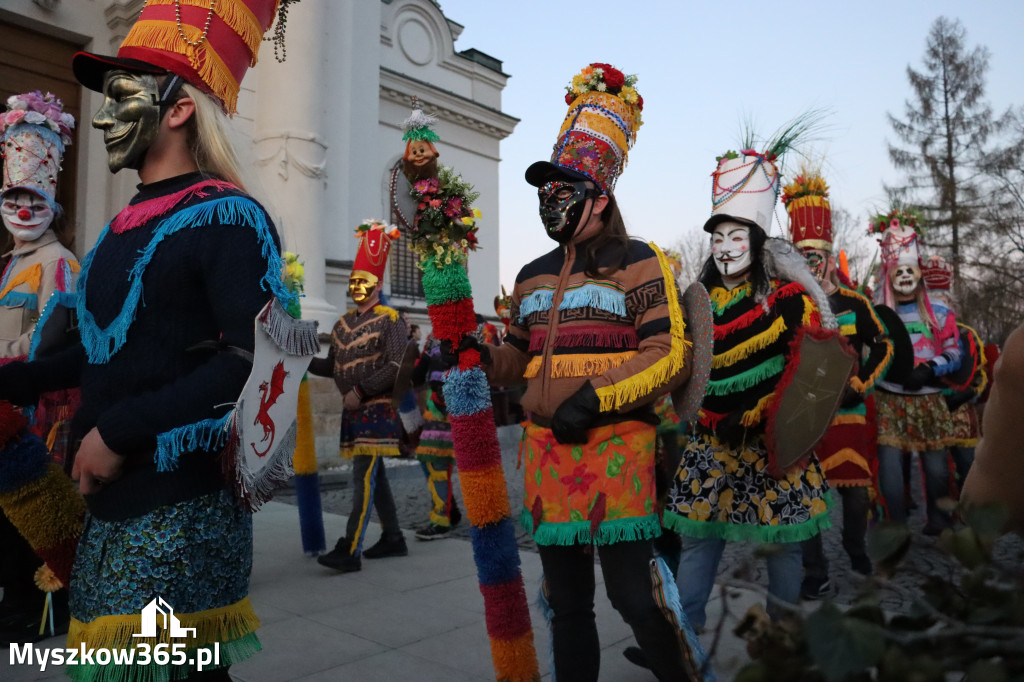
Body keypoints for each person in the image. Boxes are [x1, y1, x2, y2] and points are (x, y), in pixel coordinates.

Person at [0, 2, 297, 678]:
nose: (102, 117)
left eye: (121, 96)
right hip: (109, 499)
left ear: (179, 108)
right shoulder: (120, 225)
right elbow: (105, 350)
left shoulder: (230, 217)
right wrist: (13, 381)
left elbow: (250, 360)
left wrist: (118, 432)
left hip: (181, 502)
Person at [468, 62, 705, 682]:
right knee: (567, 604)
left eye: (564, 188)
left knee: (635, 599)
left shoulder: (641, 260)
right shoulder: (531, 274)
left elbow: (669, 354)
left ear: (600, 196)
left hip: (618, 449)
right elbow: (519, 357)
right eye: (544, 190)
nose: (550, 199)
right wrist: (481, 356)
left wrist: (594, 399)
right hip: (547, 455)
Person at [663, 137, 836, 631]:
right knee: (698, 540)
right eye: (717, 239)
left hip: (770, 444)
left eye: (735, 236)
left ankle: (782, 635)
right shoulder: (696, 301)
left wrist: (762, 413)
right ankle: (684, 637)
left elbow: (812, 372)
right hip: (710, 443)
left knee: (782, 546)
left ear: (757, 243)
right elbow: (685, 367)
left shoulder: (789, 300)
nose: (724, 248)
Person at [782, 169, 893, 598]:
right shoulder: (789, 305)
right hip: (806, 415)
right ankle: (815, 571)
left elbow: (883, 345)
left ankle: (856, 549)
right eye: (803, 256)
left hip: (849, 412)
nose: (812, 264)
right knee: (805, 496)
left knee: (856, 496)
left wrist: (861, 383)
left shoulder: (855, 303)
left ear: (831, 258)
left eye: (817, 256)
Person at [0, 90, 78, 644]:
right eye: (14, 198)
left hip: (35, 411)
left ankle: (38, 607)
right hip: (5, 406)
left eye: (35, 199)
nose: (24, 210)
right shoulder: (8, 265)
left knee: (33, 514)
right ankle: (15, 598)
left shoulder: (61, 263)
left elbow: (49, 341)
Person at [309, 220, 409, 573]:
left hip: (376, 409)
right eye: (352, 281)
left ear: (378, 284)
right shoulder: (341, 324)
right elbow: (331, 367)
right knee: (372, 476)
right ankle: (394, 537)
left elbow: (396, 366)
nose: (355, 287)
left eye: (362, 281)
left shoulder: (391, 319)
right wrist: (298, 358)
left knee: (363, 477)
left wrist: (360, 390)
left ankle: (350, 549)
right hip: (353, 411)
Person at [870, 210, 961, 534]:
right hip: (889, 399)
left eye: (910, 270)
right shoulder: (878, 314)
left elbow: (954, 352)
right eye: (899, 271)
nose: (905, 276)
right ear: (890, 274)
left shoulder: (940, 312)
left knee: (936, 470)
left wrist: (927, 369)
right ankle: (896, 528)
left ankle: (938, 520)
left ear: (919, 274)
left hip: (929, 397)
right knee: (890, 469)